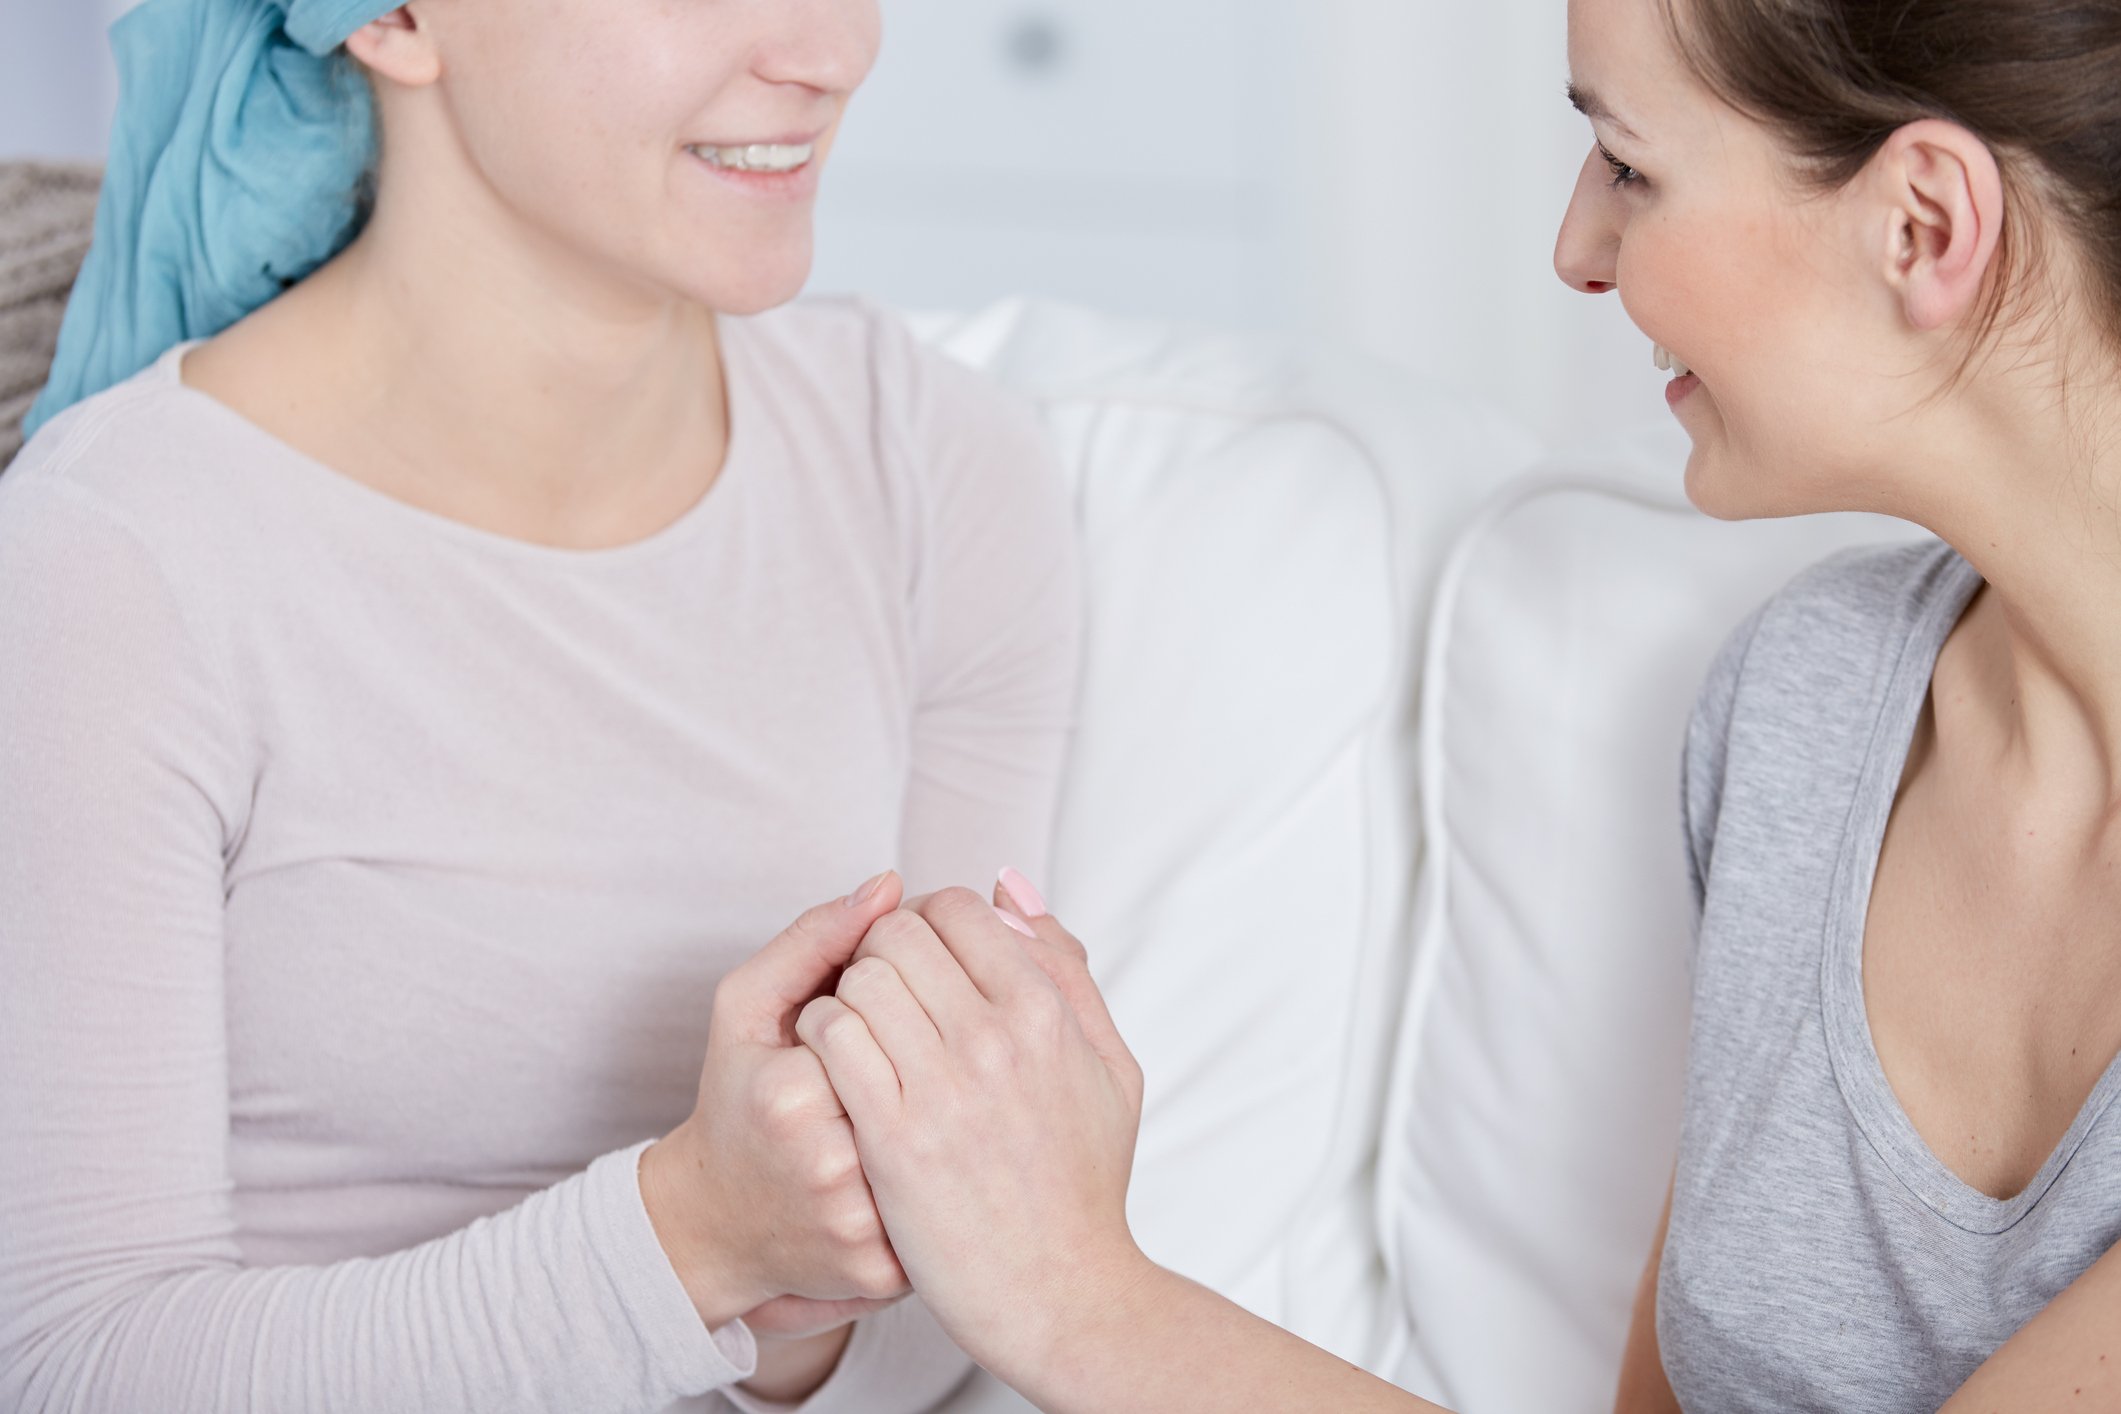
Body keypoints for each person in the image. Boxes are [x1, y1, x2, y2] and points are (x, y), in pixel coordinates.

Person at [796, 0, 2121, 1409]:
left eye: (1627, 165)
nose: (1576, 249)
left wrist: (1071, 1295)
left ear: (1920, 223)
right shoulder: (1807, 702)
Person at [0, 0, 1080, 1409]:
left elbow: (965, 1305)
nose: (831, 50)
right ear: (392, 19)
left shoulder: (933, 472)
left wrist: (815, 1271)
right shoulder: (115, 560)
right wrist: (694, 1232)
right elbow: (74, 1366)